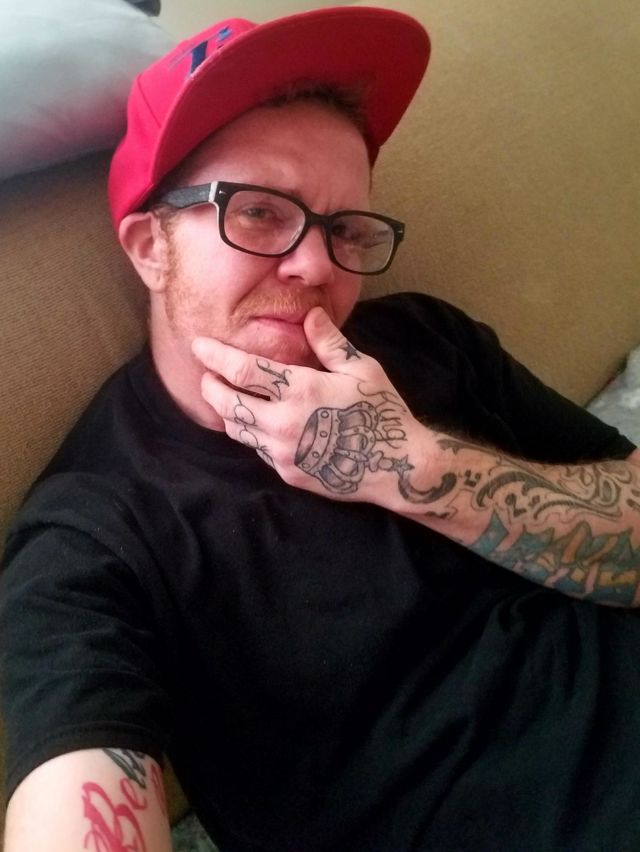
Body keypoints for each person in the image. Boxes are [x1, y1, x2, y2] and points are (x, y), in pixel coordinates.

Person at [1, 6, 639, 851]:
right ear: (150, 247)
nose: (316, 264)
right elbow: (76, 789)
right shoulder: (96, 531)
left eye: (346, 229)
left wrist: (421, 471)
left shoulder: (426, 339)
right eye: (260, 211)